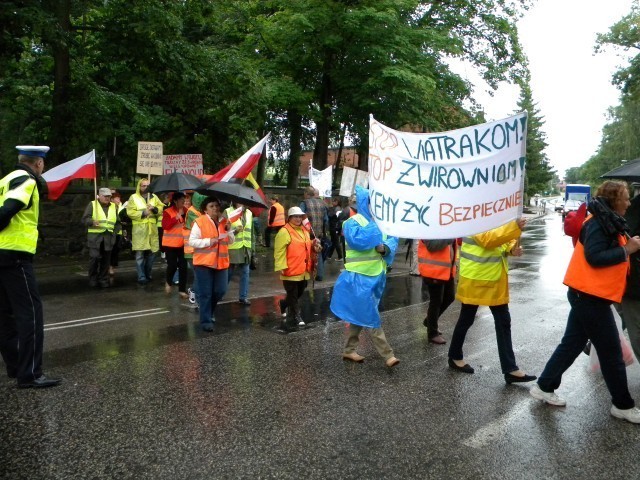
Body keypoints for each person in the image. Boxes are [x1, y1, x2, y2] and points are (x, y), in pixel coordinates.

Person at [531, 181, 640, 424]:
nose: (629, 202)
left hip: (589, 294)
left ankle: (544, 386)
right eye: (625, 198)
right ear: (614, 201)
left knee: (571, 343)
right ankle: (623, 405)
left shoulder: (607, 220)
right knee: (611, 352)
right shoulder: (600, 224)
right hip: (590, 296)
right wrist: (627, 250)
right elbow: (595, 257)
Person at [448, 218, 536, 384]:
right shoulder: (472, 215)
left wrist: (511, 249)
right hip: (477, 277)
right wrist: (513, 227)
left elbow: (500, 241)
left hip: (493, 277)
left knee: (503, 322)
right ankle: (454, 356)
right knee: (467, 319)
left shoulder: (491, 213)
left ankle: (510, 368)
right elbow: (488, 239)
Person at [0, 145, 60, 388]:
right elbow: (9, 209)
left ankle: (16, 367)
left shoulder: (5, 179)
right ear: (38, 163)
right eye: (42, 164)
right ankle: (31, 374)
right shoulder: (27, 180)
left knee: (4, 316)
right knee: (30, 315)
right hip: (16, 255)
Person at [330, 186, 400, 368]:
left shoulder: (383, 222)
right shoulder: (353, 222)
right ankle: (388, 355)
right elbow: (357, 241)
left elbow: (392, 239)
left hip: (377, 276)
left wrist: (386, 248)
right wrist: (376, 230)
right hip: (358, 278)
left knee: (359, 314)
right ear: (365, 203)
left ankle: (349, 350)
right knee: (370, 313)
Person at [189, 196, 233, 332]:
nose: (215, 208)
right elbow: (192, 241)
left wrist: (230, 230)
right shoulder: (200, 222)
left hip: (221, 263)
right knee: (205, 293)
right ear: (205, 209)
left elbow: (230, 241)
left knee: (220, 291)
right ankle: (206, 320)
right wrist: (209, 241)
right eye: (211, 206)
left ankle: (209, 311)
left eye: (216, 206)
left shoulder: (224, 222)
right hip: (204, 263)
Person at [274, 206, 319, 331]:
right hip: (290, 269)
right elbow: (279, 251)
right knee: (293, 294)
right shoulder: (284, 231)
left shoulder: (305, 231)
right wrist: (281, 266)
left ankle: (283, 304)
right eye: (295, 216)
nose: (298, 219)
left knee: (298, 293)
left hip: (303, 269)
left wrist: (313, 244)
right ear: (290, 218)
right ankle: (296, 315)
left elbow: (306, 245)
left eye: (300, 216)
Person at [418, 239, 457, 345]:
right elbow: (432, 246)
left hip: (446, 270)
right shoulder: (428, 226)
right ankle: (432, 333)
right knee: (436, 301)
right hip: (434, 271)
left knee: (449, 297)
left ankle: (429, 322)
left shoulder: (445, 225)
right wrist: (450, 237)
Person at [127, 178, 164, 285]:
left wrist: (154, 209)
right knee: (140, 254)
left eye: (148, 185)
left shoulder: (154, 197)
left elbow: (161, 208)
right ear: (139, 186)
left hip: (151, 230)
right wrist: (143, 213)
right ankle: (141, 276)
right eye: (143, 185)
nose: (146, 187)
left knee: (153, 252)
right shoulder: (133, 197)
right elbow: (130, 212)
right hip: (140, 230)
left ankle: (147, 272)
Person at [81, 187, 119, 288]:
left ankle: (103, 279)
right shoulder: (92, 204)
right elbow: (84, 219)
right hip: (95, 237)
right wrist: (92, 222)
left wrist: (114, 233)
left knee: (106, 261)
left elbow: (117, 223)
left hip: (108, 238)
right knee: (94, 258)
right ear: (100, 196)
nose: (107, 198)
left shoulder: (113, 207)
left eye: (109, 196)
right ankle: (93, 278)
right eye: (105, 196)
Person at [226, 202, 254, 306]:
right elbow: (223, 230)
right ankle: (218, 293)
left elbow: (251, 232)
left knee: (245, 273)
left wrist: (253, 249)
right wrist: (234, 231)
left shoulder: (249, 213)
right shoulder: (228, 212)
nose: (242, 203)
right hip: (232, 247)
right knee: (228, 273)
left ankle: (243, 297)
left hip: (245, 247)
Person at [162, 192, 188, 298]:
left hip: (182, 243)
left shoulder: (186, 211)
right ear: (175, 201)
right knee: (172, 265)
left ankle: (182, 290)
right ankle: (168, 282)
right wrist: (175, 218)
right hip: (170, 244)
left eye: (184, 199)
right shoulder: (167, 211)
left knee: (183, 267)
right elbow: (165, 226)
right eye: (182, 199)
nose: (184, 201)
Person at [300, 186, 329, 281]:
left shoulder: (304, 203)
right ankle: (319, 275)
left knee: (304, 252)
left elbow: (300, 216)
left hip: (306, 232)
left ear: (307, 194)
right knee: (318, 252)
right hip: (318, 233)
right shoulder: (322, 204)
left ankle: (304, 274)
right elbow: (326, 220)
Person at [109, 191, 126, 277]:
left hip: (119, 232)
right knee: (110, 250)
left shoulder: (121, 207)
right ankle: (110, 266)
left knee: (116, 250)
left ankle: (113, 265)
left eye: (119, 198)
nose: (119, 200)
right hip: (111, 232)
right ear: (112, 199)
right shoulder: (110, 207)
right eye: (117, 198)